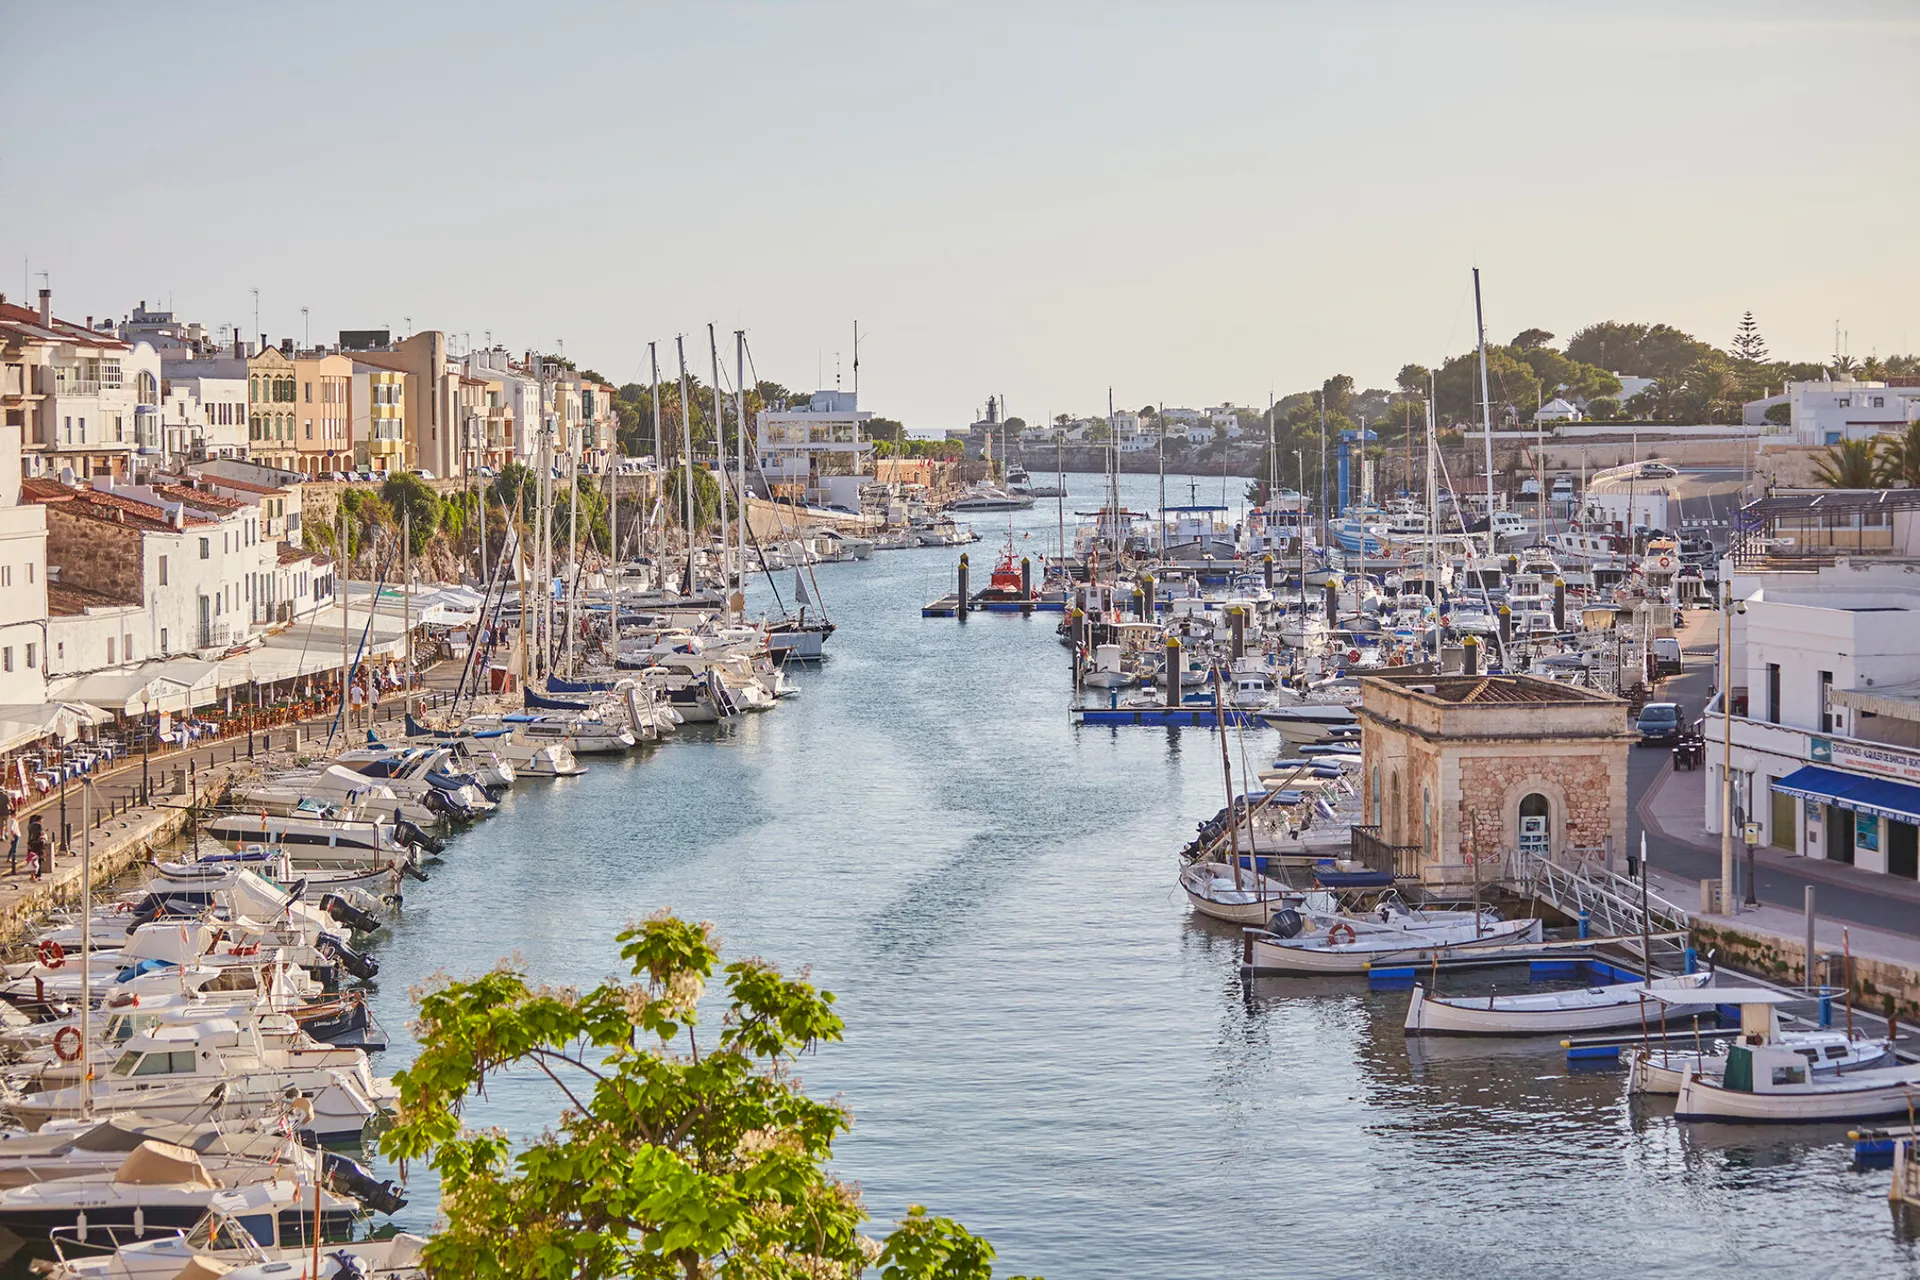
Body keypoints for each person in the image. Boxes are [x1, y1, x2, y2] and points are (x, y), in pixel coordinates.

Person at [25, 815, 46, 881]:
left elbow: (30, 835)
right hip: (38, 845)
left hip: (32, 844)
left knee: (33, 860)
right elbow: (39, 834)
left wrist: (29, 843)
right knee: (39, 860)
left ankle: (33, 875)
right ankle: (38, 875)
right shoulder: (39, 826)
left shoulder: (30, 826)